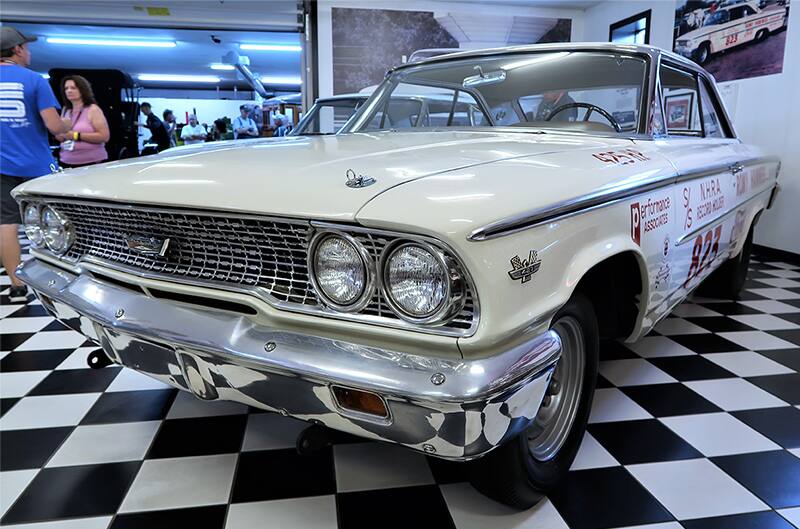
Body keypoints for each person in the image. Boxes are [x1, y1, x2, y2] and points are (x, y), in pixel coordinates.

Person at [0, 27, 70, 301]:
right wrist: (67, 124)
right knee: (55, 221)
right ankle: (60, 280)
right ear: (17, 50)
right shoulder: (34, 80)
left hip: (2, 166)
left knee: (6, 224)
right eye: (26, 47)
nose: (29, 52)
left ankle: (16, 284)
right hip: (37, 167)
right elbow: (55, 126)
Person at [57, 75, 110, 168]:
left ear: (82, 90)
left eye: (73, 88)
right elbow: (61, 138)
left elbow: (104, 137)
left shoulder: (93, 109)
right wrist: (59, 133)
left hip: (91, 163)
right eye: (66, 88)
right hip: (66, 161)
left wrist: (75, 135)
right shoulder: (66, 110)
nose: (69, 91)